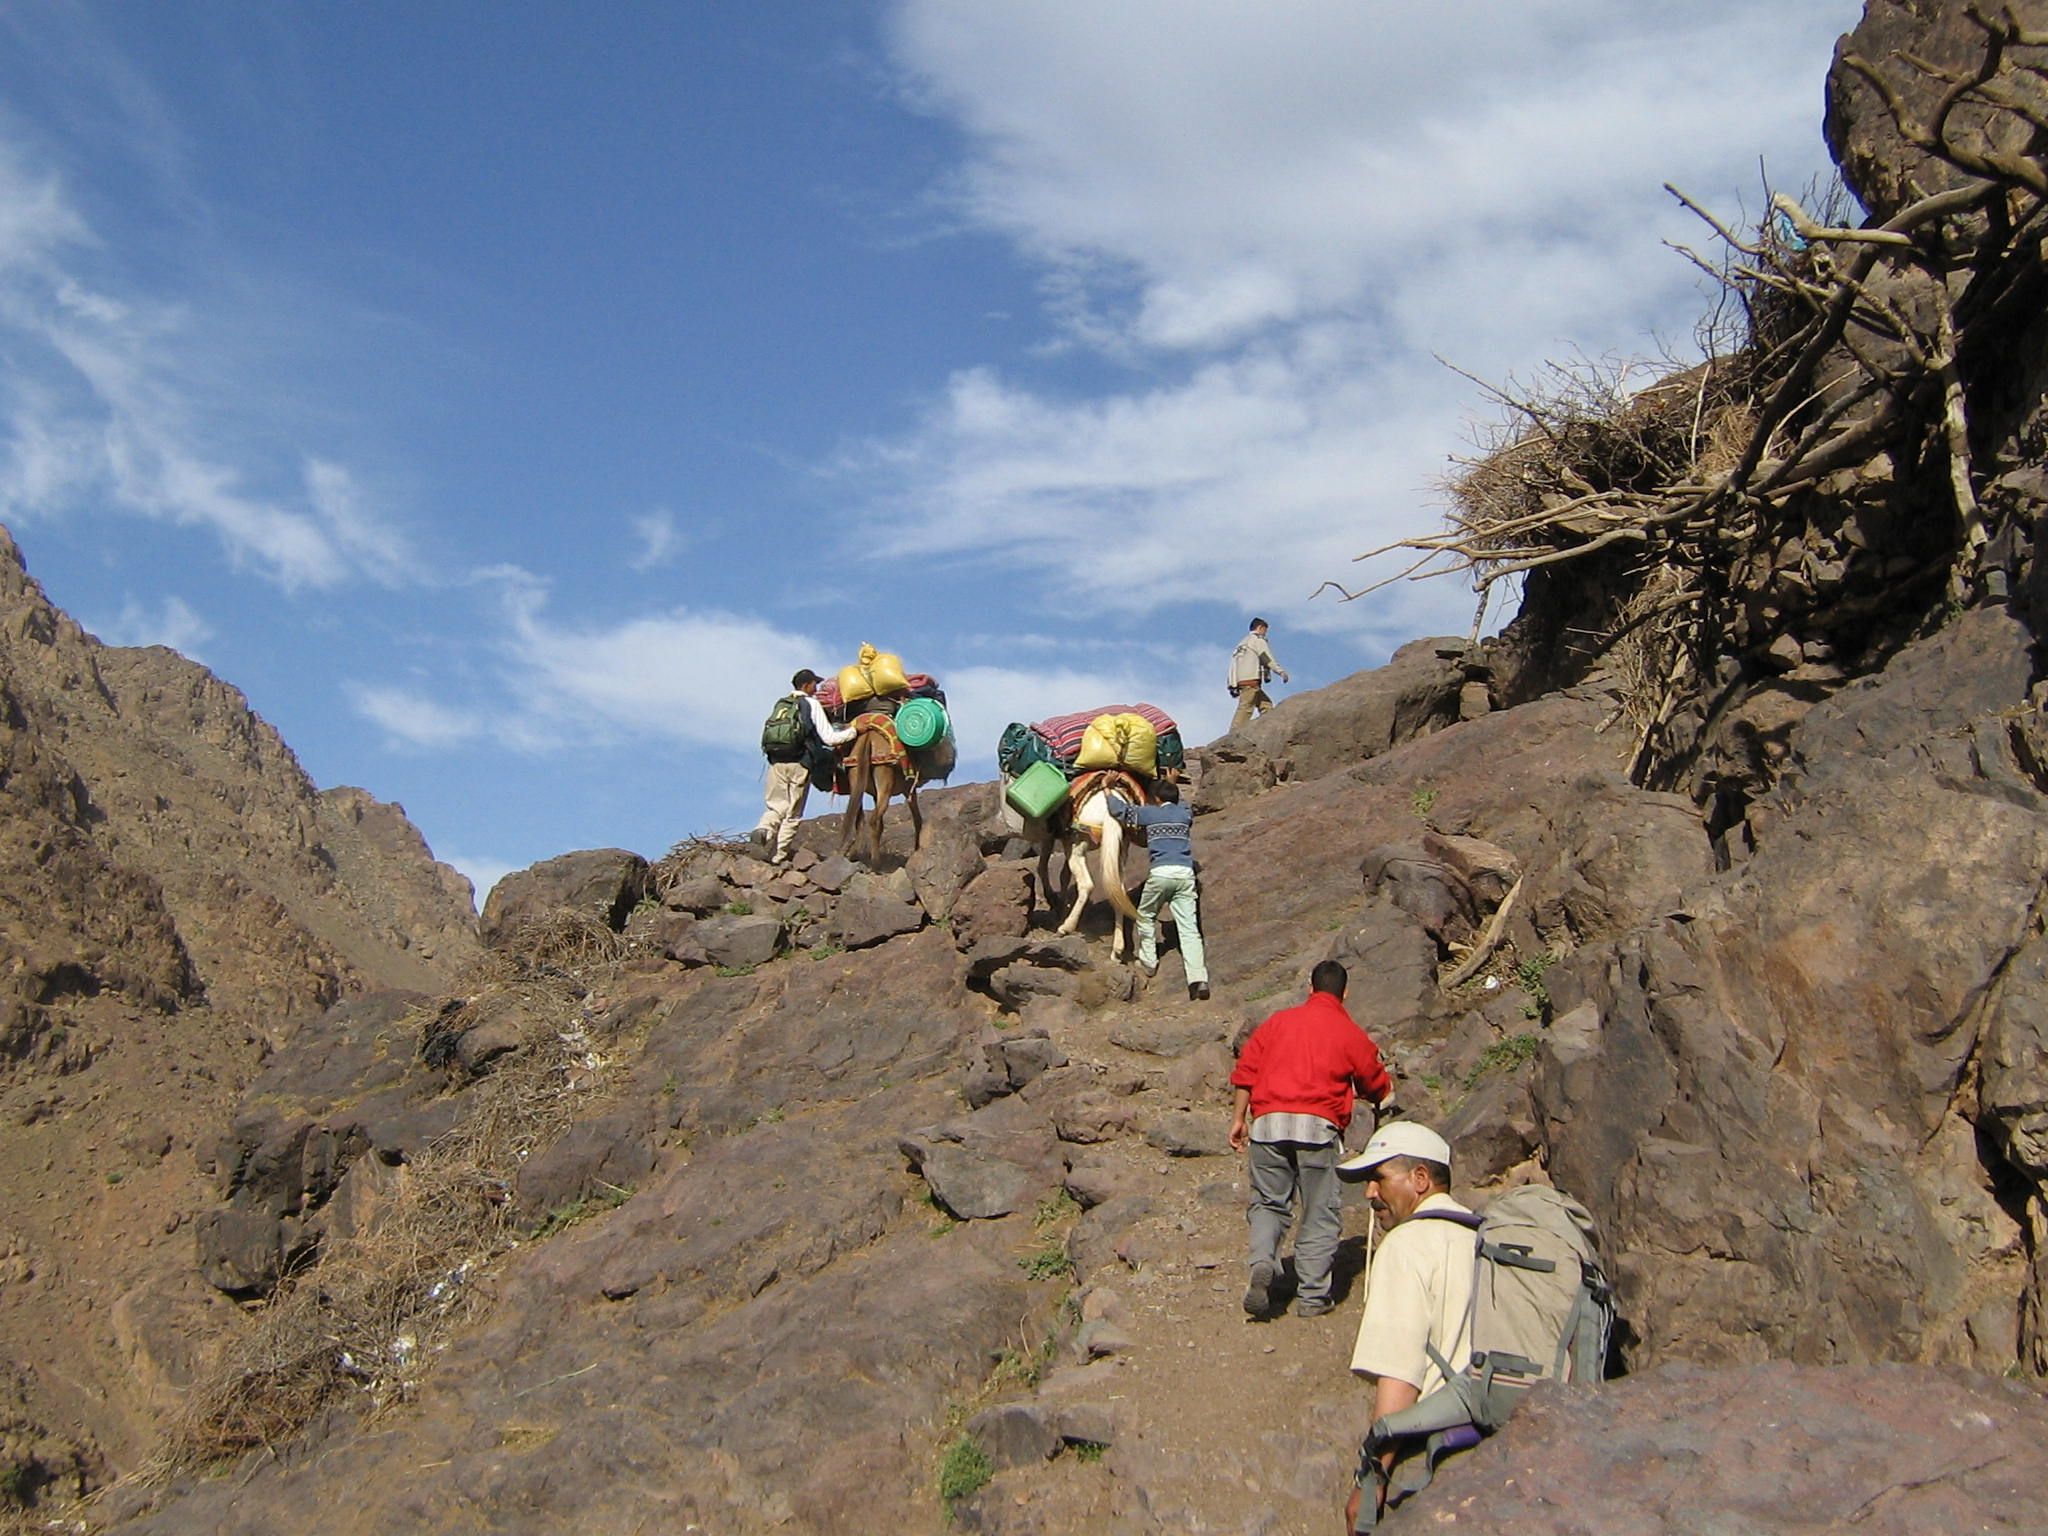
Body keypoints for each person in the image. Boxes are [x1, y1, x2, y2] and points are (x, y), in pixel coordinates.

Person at [1226, 960, 1394, 1319]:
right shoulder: (1348, 1032)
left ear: (1309, 987)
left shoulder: (1278, 1023)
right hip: (1317, 1128)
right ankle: (1313, 1296)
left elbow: (1246, 1073)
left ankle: (1262, 1263)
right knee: (1319, 1210)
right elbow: (1375, 1082)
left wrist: (1239, 1119)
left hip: (1268, 1125)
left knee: (1268, 1204)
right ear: (1345, 993)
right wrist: (1378, 1092)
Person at [1336, 1122, 1471, 1531]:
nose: (1369, 1192)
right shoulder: (1483, 1234)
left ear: (1420, 1179)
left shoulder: (1405, 1245)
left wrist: (1373, 1476)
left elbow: (1400, 1370)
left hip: (1434, 1444)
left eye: (1378, 1178)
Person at [1106, 779, 1210, 1001]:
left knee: (1145, 914)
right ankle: (1198, 979)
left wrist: (1107, 790)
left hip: (1161, 873)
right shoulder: (1184, 814)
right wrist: (1173, 786)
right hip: (1185, 874)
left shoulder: (1150, 814)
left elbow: (1121, 811)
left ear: (1157, 799)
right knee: (1190, 929)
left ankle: (1149, 963)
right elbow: (1184, 806)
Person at [752, 669, 855, 866]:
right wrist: (853, 732)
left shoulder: (782, 704)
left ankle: (763, 829)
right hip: (800, 763)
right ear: (807, 685)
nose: (816, 688)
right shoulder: (811, 704)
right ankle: (779, 856)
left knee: (776, 806)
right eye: (814, 684)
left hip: (776, 762)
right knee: (793, 813)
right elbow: (829, 738)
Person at [1228, 617, 1289, 732]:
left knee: (1266, 705)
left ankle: (1266, 730)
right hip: (1251, 680)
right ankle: (1233, 733)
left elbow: (1233, 665)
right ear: (1260, 628)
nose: (1266, 634)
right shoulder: (1257, 640)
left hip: (1240, 681)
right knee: (1246, 708)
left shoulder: (1241, 644)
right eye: (1265, 630)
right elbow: (1267, 658)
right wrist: (1280, 671)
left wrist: (1232, 684)